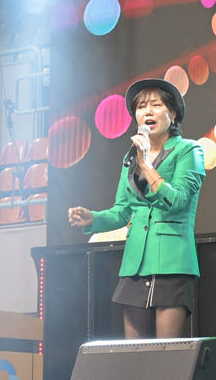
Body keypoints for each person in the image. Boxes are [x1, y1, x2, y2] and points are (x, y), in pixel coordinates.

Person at [67, 77, 203, 339]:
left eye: (156, 105)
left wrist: (147, 165)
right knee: (135, 354)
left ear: (173, 114)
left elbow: (178, 201)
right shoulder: (130, 158)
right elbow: (122, 212)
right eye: (141, 107)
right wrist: (92, 218)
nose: (147, 112)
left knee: (166, 353)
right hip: (135, 266)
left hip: (173, 263)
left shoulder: (189, 150)